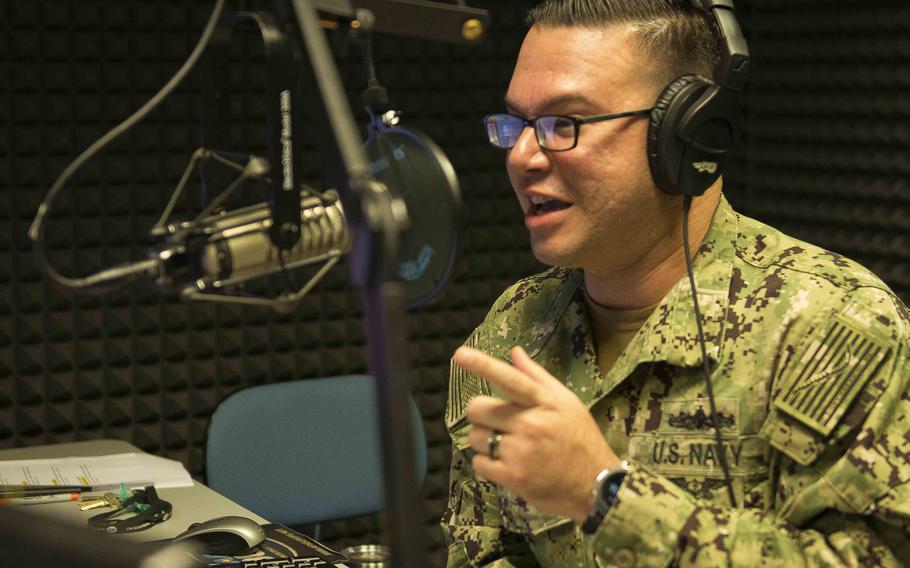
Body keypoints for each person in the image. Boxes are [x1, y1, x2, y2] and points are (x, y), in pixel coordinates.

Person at [441, 1, 910, 566]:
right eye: (516, 123)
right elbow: (482, 549)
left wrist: (607, 496)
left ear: (685, 134)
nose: (521, 156)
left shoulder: (836, 329)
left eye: (564, 124)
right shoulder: (515, 326)